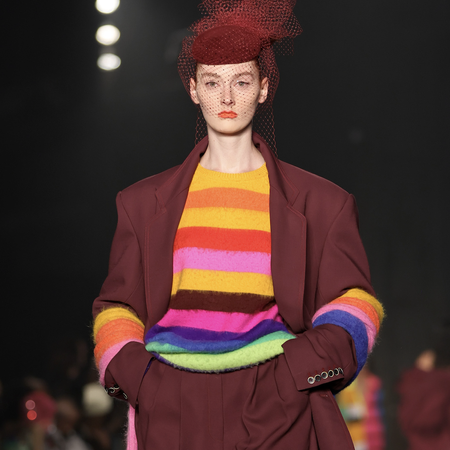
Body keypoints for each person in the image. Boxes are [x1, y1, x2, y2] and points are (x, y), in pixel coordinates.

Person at [92, 0, 384, 449]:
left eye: (242, 81)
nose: (226, 98)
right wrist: (144, 381)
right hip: (173, 404)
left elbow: (356, 301)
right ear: (193, 90)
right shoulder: (140, 205)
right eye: (212, 82)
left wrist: (295, 373)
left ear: (264, 88)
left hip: (278, 403)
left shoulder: (322, 203)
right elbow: (117, 307)